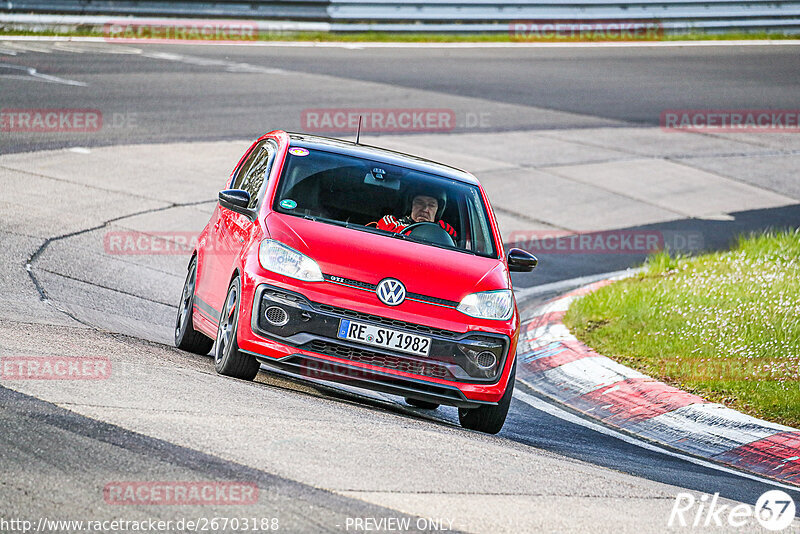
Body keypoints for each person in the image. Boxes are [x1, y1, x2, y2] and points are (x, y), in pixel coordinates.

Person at [375, 188, 457, 240]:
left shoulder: (445, 230)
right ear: (410, 205)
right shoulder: (391, 223)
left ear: (438, 210)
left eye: (431, 205)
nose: (425, 209)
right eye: (420, 203)